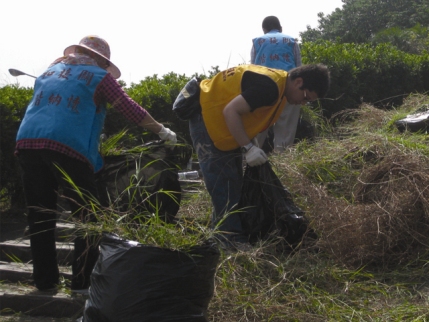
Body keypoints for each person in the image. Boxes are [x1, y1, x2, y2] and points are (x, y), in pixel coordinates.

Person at [15, 35, 177, 293]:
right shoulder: (99, 77)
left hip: (27, 143)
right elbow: (128, 107)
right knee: (89, 216)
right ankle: (81, 283)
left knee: (41, 215)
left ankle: (45, 282)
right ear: (101, 60)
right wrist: (161, 130)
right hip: (67, 147)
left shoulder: (51, 70)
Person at [189, 64, 330, 249]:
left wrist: (252, 146)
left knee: (233, 181)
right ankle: (229, 241)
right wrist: (248, 148)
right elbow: (230, 111)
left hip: (221, 123)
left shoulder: (279, 88)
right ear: (299, 82)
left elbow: (250, 117)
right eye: (305, 97)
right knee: (223, 182)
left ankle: (222, 234)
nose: (303, 103)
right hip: (206, 118)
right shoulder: (270, 88)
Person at [251, 16, 303, 152]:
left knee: (258, 129)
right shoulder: (291, 41)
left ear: (264, 30)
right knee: (285, 131)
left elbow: (253, 68)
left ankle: (249, 162)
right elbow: (299, 69)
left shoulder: (257, 42)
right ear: (281, 29)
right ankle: (283, 166)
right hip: (288, 88)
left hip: (263, 88)